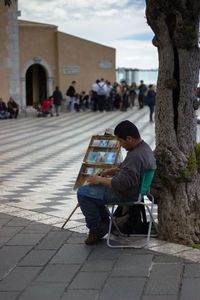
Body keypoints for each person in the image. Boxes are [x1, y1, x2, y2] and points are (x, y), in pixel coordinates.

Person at [77, 120, 156, 245]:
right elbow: (128, 170)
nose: (120, 145)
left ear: (129, 138)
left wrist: (99, 179)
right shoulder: (143, 148)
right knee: (91, 192)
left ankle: (96, 227)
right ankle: (103, 223)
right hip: (134, 190)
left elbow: (120, 184)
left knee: (82, 192)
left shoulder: (135, 155)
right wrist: (109, 172)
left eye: (120, 141)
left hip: (126, 194)